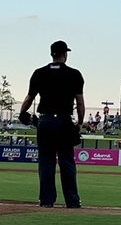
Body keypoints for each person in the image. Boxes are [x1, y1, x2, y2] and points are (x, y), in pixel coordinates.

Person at [18, 40, 85, 208]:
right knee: (67, 162)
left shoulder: (39, 73)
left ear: (51, 54)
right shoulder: (74, 74)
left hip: (45, 121)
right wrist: (80, 123)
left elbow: (29, 98)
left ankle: (47, 200)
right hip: (64, 121)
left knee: (46, 162)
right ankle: (72, 201)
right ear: (65, 54)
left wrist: (21, 112)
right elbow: (80, 102)